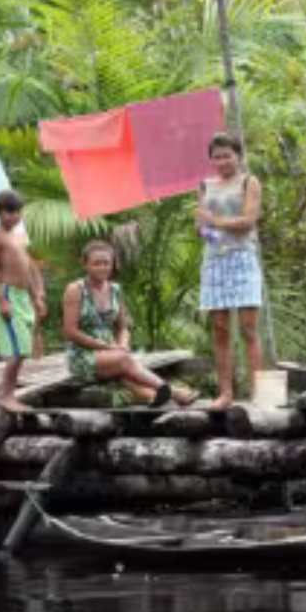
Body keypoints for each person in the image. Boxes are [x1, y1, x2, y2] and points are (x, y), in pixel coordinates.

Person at [62, 241, 197, 407]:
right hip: (83, 355)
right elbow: (70, 332)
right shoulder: (75, 289)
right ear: (85, 264)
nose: (102, 268)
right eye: (96, 263)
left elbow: (123, 327)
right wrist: (108, 348)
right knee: (124, 361)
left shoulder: (115, 290)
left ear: (112, 264)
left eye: (106, 263)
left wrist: (123, 345)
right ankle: (170, 390)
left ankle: (152, 395)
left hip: (114, 353)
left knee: (124, 364)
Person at [196, 134, 264, 409]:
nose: (222, 161)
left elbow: (248, 221)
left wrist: (216, 221)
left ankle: (257, 392)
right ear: (211, 159)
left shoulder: (249, 182)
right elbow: (200, 227)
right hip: (215, 259)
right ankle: (226, 393)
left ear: (238, 155)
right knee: (220, 328)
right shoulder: (204, 185)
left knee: (248, 327)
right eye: (217, 156)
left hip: (243, 256)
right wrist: (207, 229)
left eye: (227, 155)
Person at [0, 190, 45, 411]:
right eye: (9, 212)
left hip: (23, 296)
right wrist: (1, 301)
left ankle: (7, 394)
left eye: (17, 211)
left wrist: (38, 295)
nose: (14, 216)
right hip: (7, 293)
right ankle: (4, 395)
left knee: (24, 349)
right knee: (18, 350)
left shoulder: (20, 237)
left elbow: (31, 267)